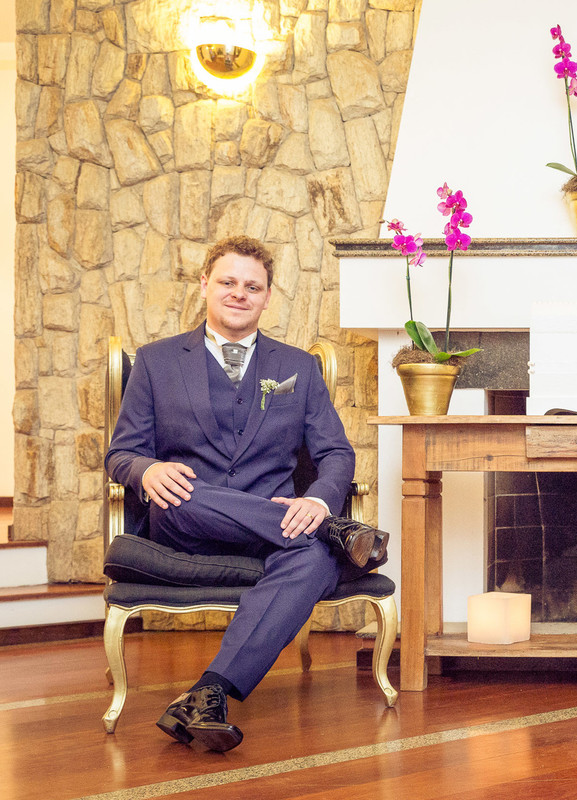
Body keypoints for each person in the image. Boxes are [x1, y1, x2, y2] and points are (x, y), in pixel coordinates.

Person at [105, 235, 390, 752]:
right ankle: (335, 532)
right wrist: (145, 471)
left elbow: (336, 455)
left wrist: (320, 500)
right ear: (205, 285)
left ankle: (209, 692)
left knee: (316, 559)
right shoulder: (155, 362)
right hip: (188, 517)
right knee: (185, 492)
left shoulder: (298, 368)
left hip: (274, 535)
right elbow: (120, 454)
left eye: (252, 286)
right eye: (228, 282)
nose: (239, 293)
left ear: (267, 296)